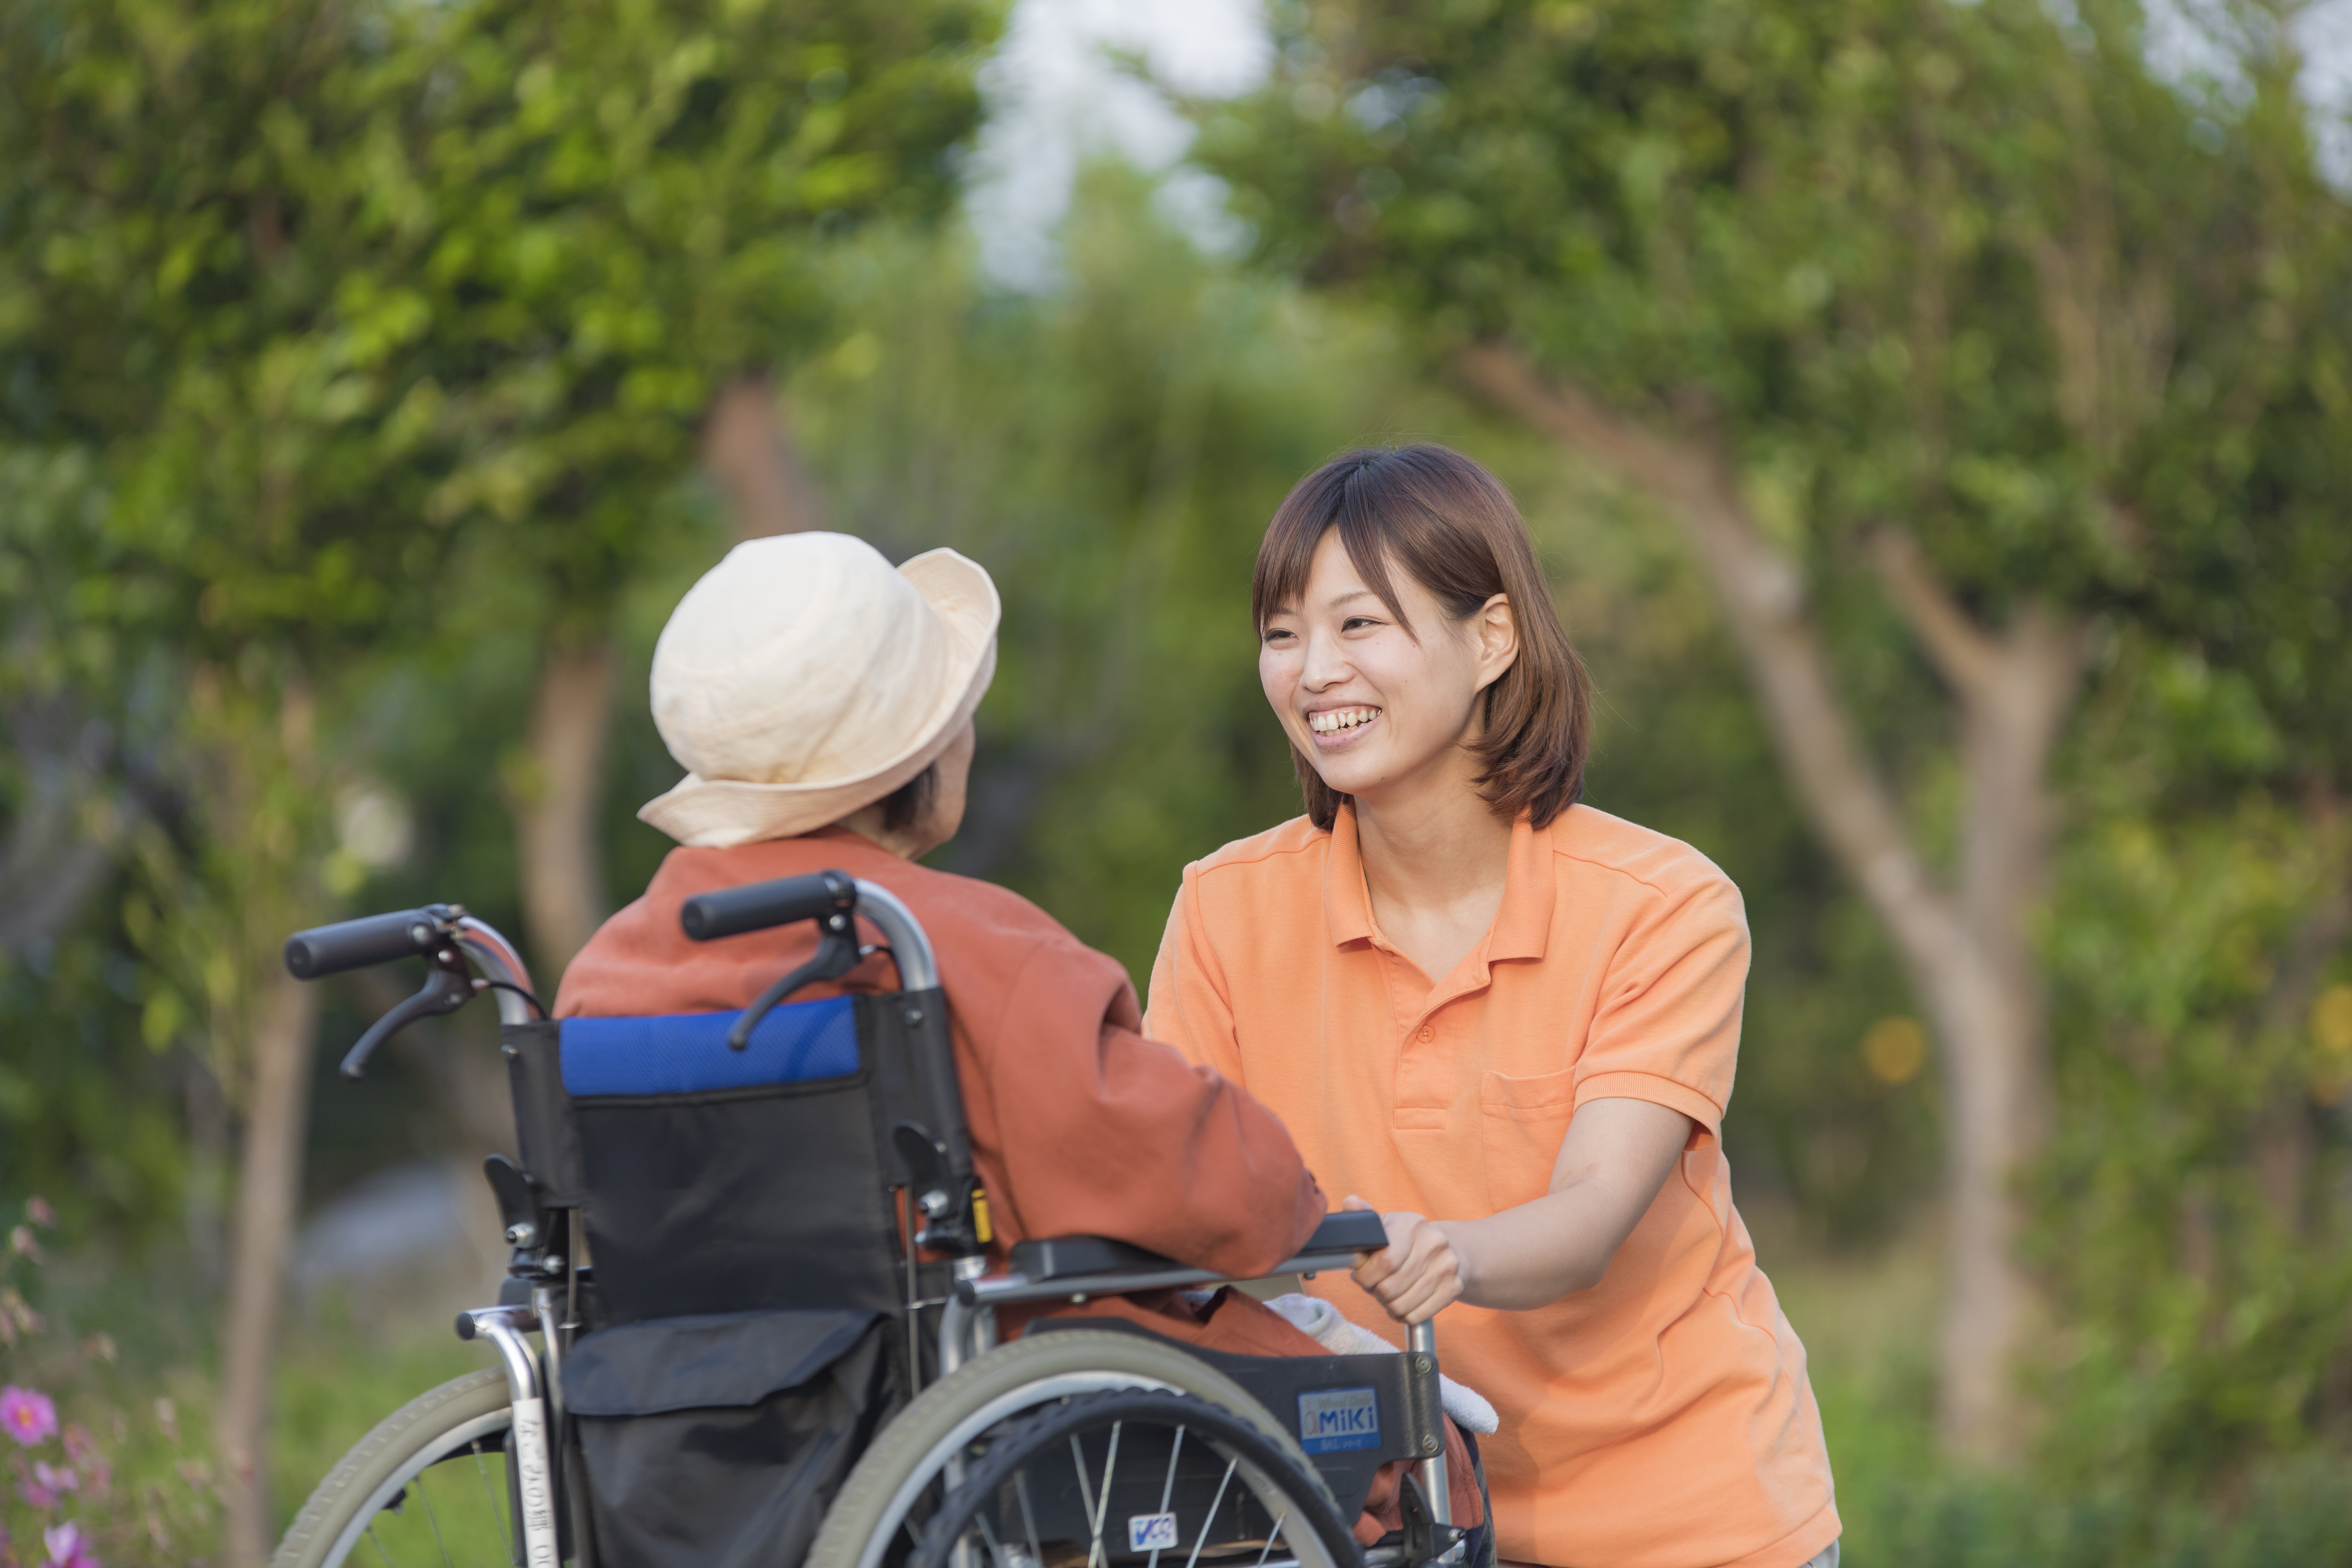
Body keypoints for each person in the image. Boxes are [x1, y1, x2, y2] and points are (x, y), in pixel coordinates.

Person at [554, 530, 1485, 1538]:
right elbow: (1188, 1168)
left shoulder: (608, 973)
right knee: (1423, 1445)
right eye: (955, 716)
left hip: (701, 1440)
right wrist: (1307, 1211)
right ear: (918, 755)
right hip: (990, 1404)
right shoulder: (946, 944)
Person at [1144, 446, 1839, 1568]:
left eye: (1360, 625)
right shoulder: (1224, 910)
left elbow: (1591, 1215)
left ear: (1493, 640)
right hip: (1379, 1516)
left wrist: (1446, 1255)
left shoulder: (1664, 906)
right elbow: (1175, 1202)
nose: (1313, 670)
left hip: (1687, 1519)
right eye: (1282, 634)